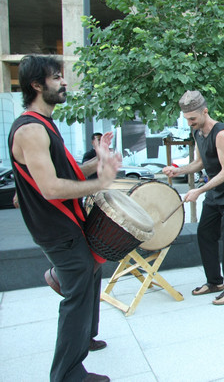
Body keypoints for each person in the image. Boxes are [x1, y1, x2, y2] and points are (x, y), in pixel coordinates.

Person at [9, 55, 121, 382]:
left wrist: (100, 164)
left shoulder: (45, 125)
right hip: (56, 226)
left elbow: (67, 173)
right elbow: (50, 187)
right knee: (79, 288)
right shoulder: (30, 129)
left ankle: (83, 336)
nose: (64, 82)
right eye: (57, 77)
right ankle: (68, 373)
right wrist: (100, 183)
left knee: (89, 275)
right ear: (36, 85)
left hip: (62, 223)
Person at [162, 90, 224, 305]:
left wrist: (199, 191)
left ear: (205, 111)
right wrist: (178, 171)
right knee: (204, 234)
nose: (190, 123)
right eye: (187, 119)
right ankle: (215, 282)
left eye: (193, 118)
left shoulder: (221, 133)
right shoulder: (197, 134)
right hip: (216, 188)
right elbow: (199, 163)